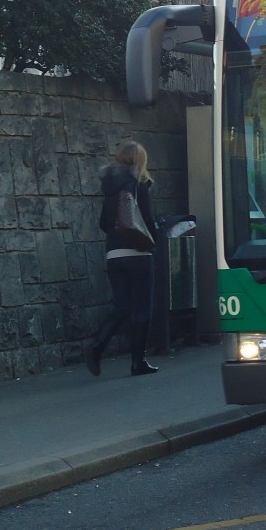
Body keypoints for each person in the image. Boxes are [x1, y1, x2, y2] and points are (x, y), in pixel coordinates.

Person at [88, 140, 158, 377]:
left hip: (113, 254)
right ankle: (138, 362)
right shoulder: (139, 183)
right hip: (138, 253)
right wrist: (153, 241)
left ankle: (97, 346)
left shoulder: (109, 187)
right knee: (142, 308)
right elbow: (147, 219)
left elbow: (103, 223)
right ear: (140, 160)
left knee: (122, 307)